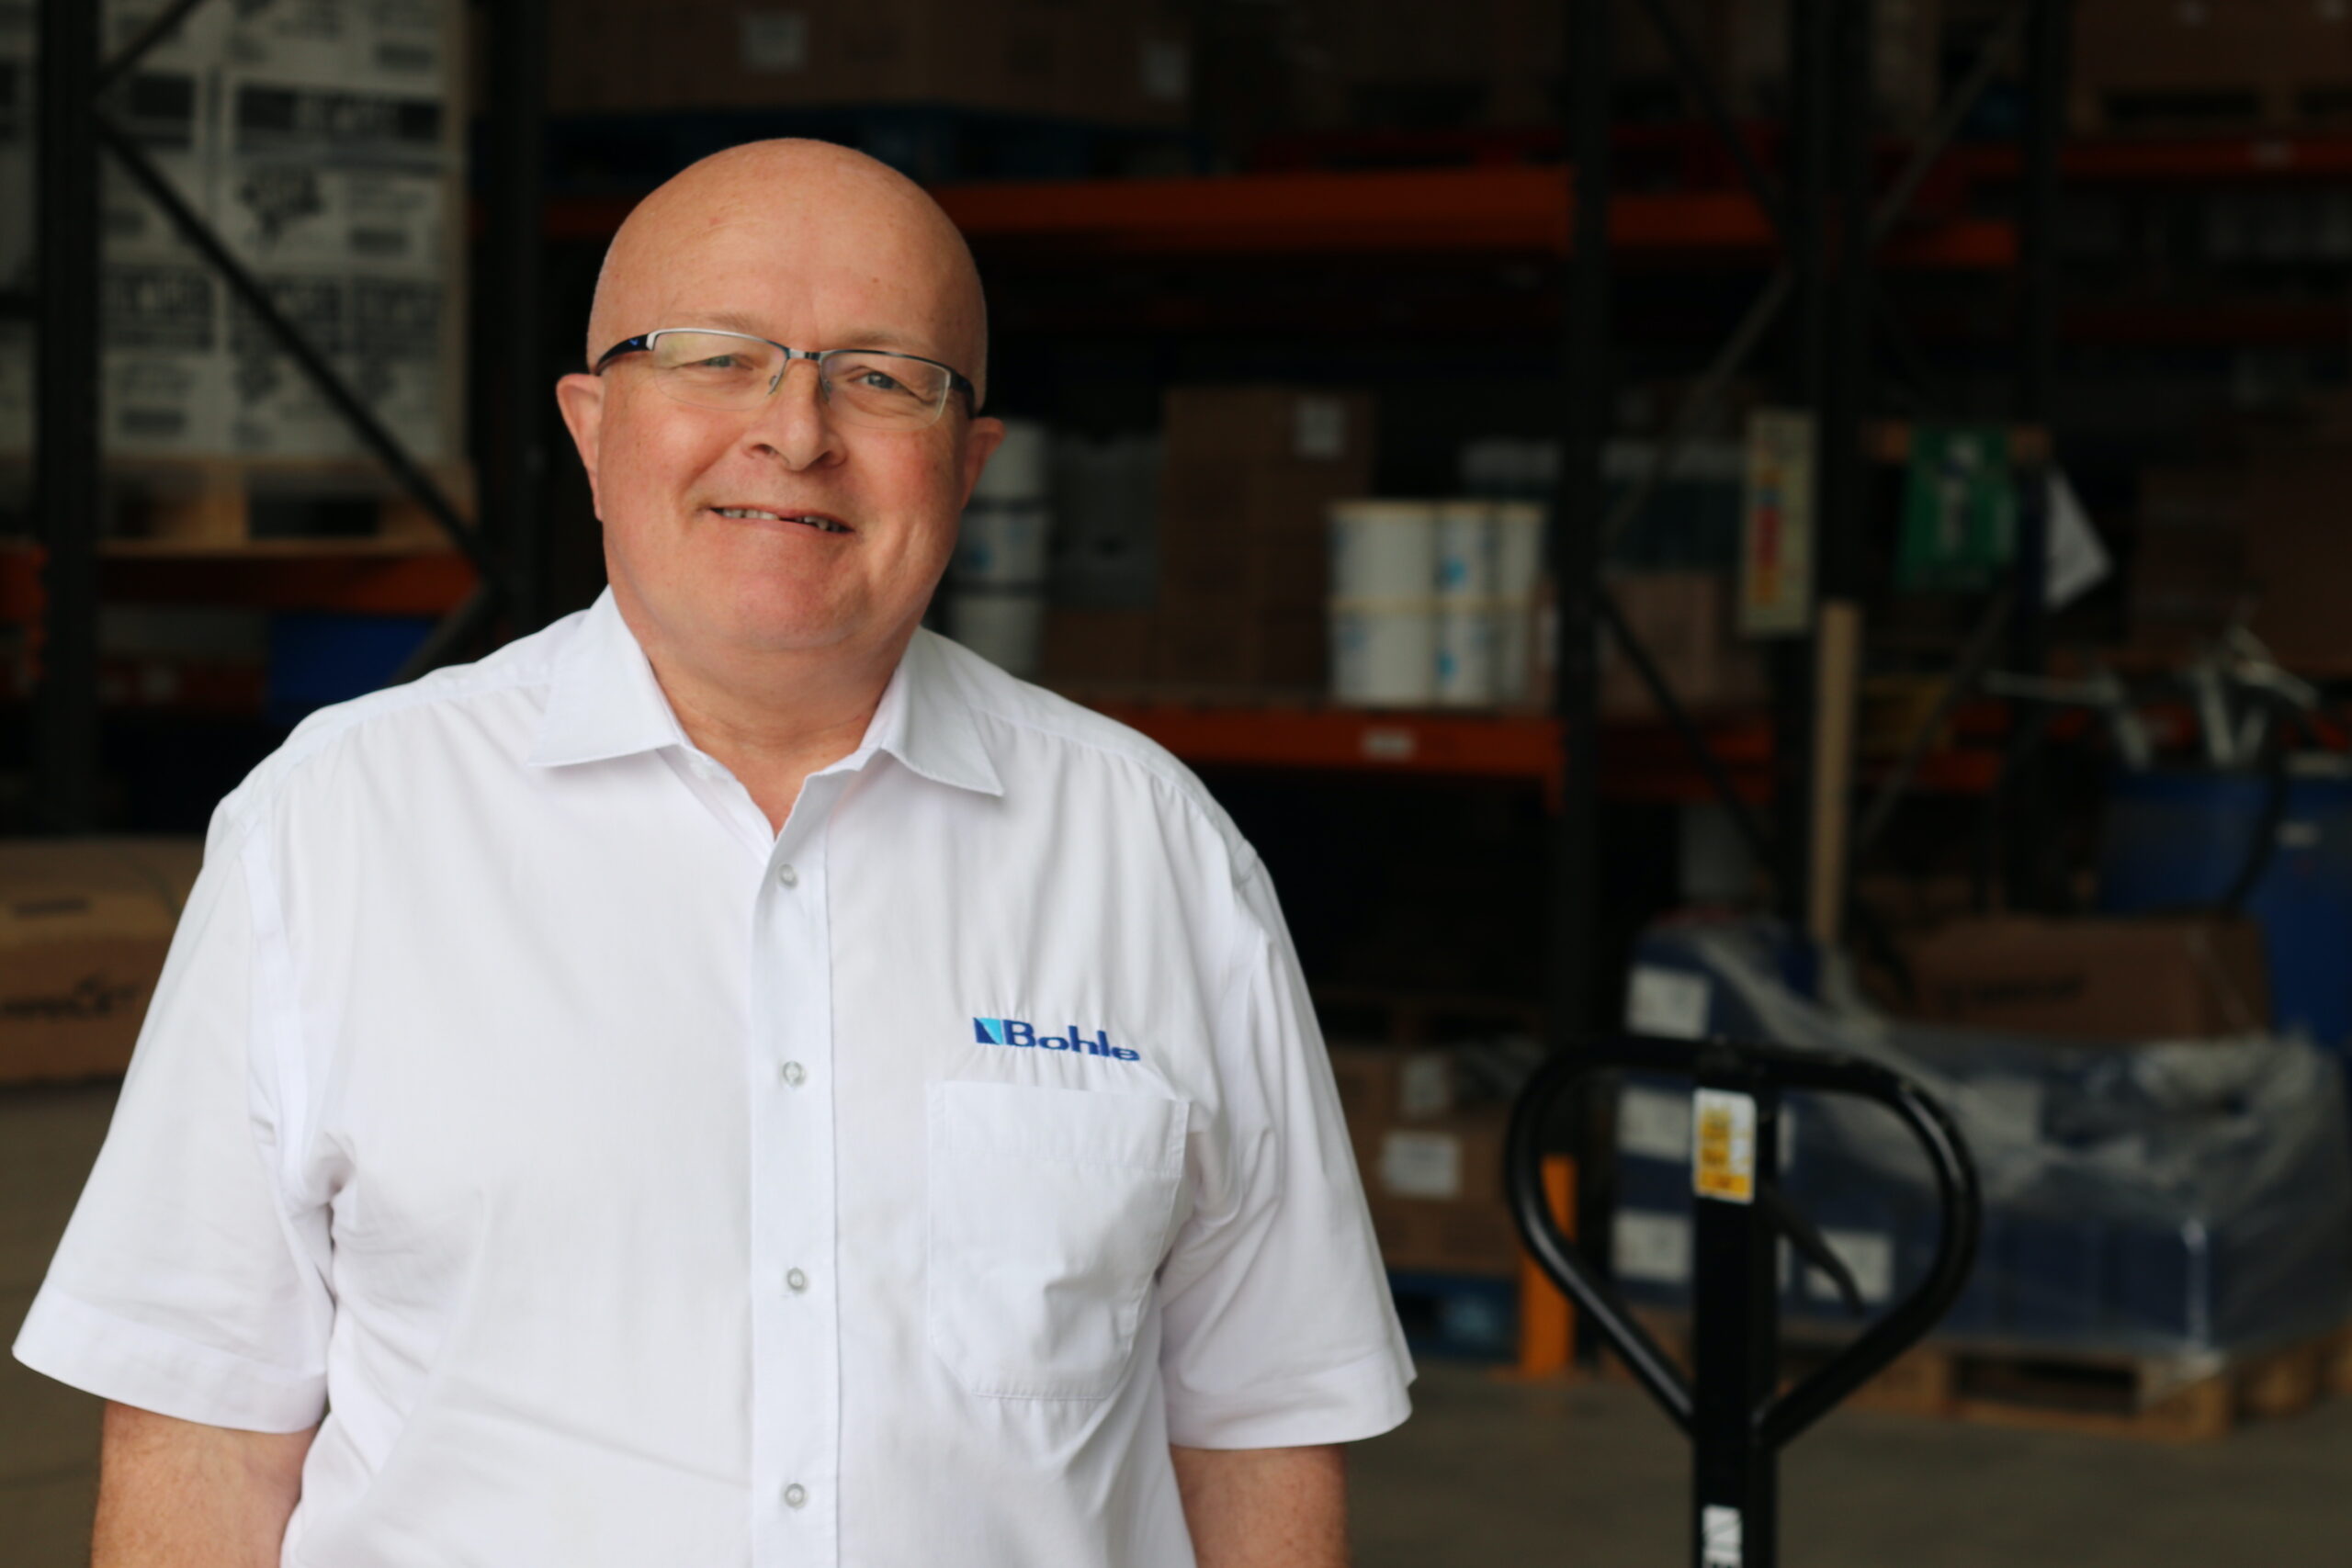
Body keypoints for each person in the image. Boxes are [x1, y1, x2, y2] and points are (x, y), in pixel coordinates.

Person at [14, 140, 1412, 1567]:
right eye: (716, 358)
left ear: (971, 460)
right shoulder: (336, 828)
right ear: (591, 425)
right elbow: (200, 1436)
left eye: (883, 377)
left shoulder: (1155, 855)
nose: (796, 432)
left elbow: (1261, 1427)